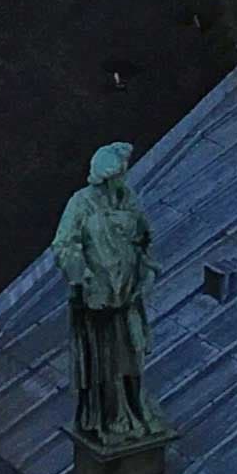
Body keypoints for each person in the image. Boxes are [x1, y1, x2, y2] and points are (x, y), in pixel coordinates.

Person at [52, 142, 165, 450]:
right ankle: (110, 417)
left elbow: (144, 236)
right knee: (107, 364)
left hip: (127, 296)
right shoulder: (81, 204)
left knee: (132, 353)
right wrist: (84, 277)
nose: (120, 180)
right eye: (116, 175)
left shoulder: (128, 199)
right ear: (102, 177)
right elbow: (64, 245)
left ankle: (133, 409)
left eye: (122, 174)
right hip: (98, 304)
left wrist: (145, 265)